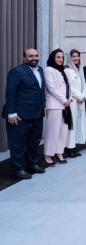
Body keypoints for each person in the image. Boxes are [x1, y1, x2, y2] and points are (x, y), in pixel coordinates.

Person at [3, 48, 46, 179]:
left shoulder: (40, 70)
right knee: (18, 144)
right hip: (19, 115)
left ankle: (32, 164)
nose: (34, 58)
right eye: (31, 56)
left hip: (37, 114)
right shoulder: (17, 72)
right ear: (24, 58)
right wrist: (11, 113)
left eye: (36, 56)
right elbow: (10, 94)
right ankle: (18, 169)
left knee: (34, 142)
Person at [42, 49, 72, 165]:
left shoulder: (62, 71)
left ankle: (59, 152)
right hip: (55, 105)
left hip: (65, 105)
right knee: (52, 131)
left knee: (63, 130)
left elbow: (69, 86)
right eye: (58, 57)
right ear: (53, 58)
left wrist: (70, 99)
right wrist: (65, 100)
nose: (60, 59)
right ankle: (47, 154)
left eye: (62, 57)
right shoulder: (49, 70)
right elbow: (51, 87)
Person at [64, 49, 86, 158]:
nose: (76, 58)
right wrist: (80, 96)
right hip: (73, 101)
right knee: (71, 126)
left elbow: (85, 85)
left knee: (78, 125)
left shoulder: (79, 70)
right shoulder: (67, 71)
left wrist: (84, 96)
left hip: (80, 101)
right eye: (73, 56)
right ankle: (69, 148)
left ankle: (74, 147)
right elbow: (70, 87)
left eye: (77, 56)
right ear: (69, 58)